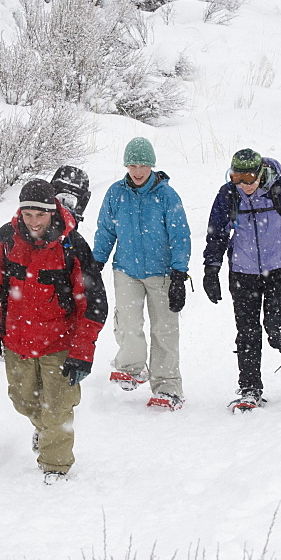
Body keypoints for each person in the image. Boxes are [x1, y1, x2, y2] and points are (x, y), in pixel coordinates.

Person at [0, 178, 107, 483]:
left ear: (53, 212)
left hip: (60, 344)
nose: (34, 222)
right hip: (17, 341)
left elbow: (94, 304)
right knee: (23, 401)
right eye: (28, 215)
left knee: (58, 408)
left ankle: (55, 467)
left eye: (41, 215)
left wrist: (82, 352)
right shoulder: (3, 241)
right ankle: (43, 427)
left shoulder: (73, 245)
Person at [203, 149, 281, 414]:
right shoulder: (228, 195)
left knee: (277, 326)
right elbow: (217, 233)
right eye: (237, 178)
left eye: (249, 177)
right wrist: (211, 269)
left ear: (261, 173)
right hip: (243, 273)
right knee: (247, 333)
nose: (244, 185)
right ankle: (250, 388)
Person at [92, 137, 191, 411]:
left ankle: (168, 387)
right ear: (126, 165)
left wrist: (180, 275)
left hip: (162, 272)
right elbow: (105, 230)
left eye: (143, 165)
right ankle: (131, 367)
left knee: (165, 330)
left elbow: (180, 236)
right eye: (133, 164)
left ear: (152, 165)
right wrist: (96, 262)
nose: (137, 171)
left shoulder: (166, 196)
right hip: (126, 270)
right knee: (127, 322)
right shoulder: (115, 193)